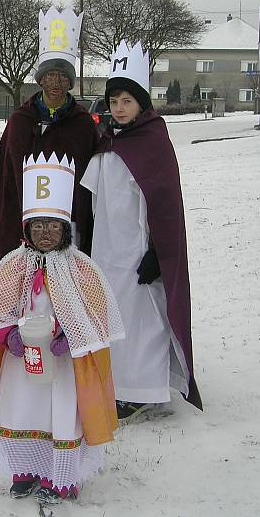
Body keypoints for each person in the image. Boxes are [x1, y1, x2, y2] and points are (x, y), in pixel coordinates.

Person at [0, 153, 124, 506]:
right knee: (20, 410)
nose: (45, 233)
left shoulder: (81, 268)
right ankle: (25, 470)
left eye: (53, 226)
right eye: (38, 225)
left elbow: (95, 315)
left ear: (65, 229)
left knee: (59, 415)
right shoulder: (12, 265)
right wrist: (6, 335)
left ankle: (61, 477)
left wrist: (69, 337)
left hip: (62, 366)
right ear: (26, 229)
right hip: (20, 361)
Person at [0, 6, 99, 380]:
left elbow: (87, 181)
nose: (56, 83)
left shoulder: (84, 126)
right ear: (40, 80)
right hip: (19, 229)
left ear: (70, 83)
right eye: (50, 75)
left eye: (63, 77)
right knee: (19, 290)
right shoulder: (20, 122)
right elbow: (5, 179)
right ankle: (14, 349)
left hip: (65, 229)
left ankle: (62, 346)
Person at [80, 40, 202, 420]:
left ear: (142, 104)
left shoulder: (154, 142)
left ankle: (144, 389)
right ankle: (118, 384)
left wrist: (156, 252)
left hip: (136, 250)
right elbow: (93, 199)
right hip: (107, 248)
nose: (119, 107)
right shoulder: (107, 142)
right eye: (114, 100)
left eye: (127, 101)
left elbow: (163, 205)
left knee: (141, 319)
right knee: (112, 316)